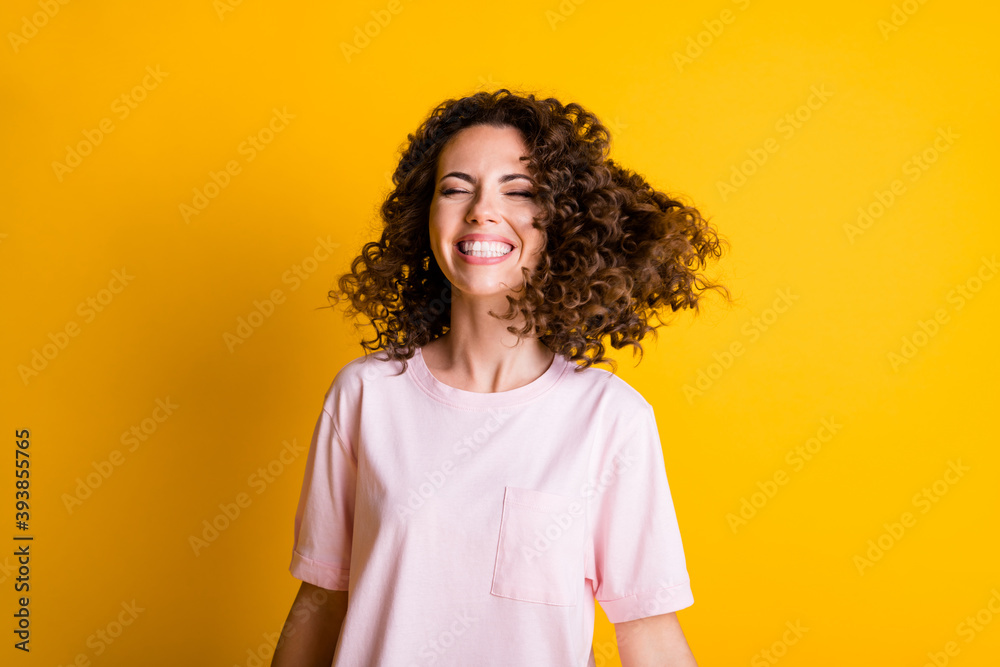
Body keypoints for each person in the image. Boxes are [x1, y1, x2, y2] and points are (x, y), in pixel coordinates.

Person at [270, 88, 733, 667]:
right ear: (425, 218)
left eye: (519, 192)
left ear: (565, 225)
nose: (480, 210)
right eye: (456, 188)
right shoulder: (365, 395)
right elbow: (319, 600)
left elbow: (650, 634)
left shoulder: (610, 418)